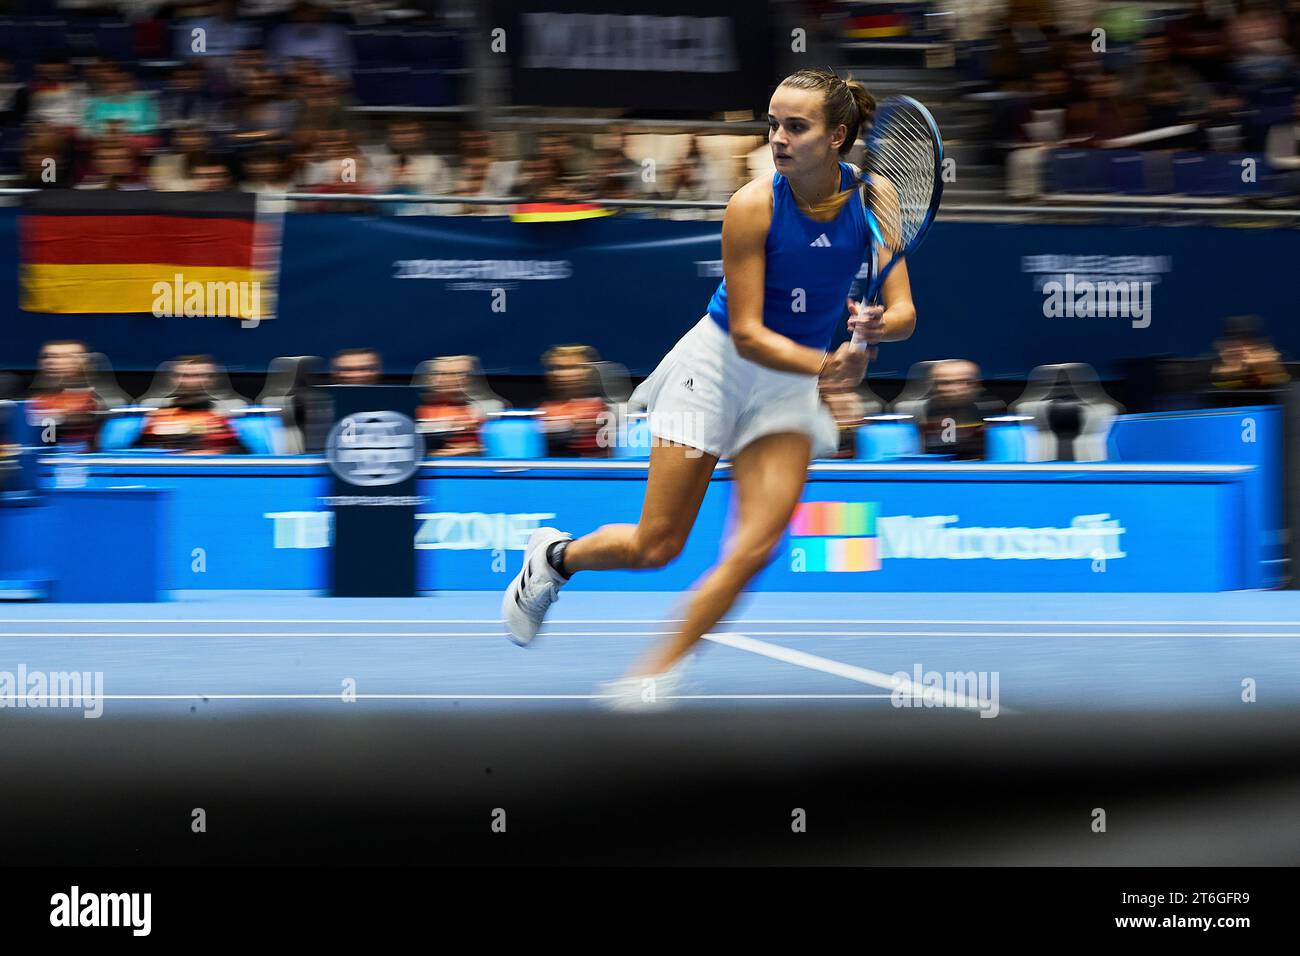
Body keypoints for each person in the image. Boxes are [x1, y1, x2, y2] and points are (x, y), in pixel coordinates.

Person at [501, 68, 917, 703]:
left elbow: (904, 311)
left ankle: (653, 674)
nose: (777, 138)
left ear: (837, 136)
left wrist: (872, 334)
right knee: (656, 546)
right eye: (772, 123)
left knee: (755, 548)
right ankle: (554, 558)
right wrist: (828, 367)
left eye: (795, 126)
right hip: (717, 367)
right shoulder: (752, 206)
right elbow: (748, 332)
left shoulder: (876, 199)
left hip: (786, 391)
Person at [133, 356, 248, 455]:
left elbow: (242, 454)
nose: (191, 381)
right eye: (184, 375)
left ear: (211, 379)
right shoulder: (157, 416)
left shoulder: (225, 414)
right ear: (173, 379)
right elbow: (140, 451)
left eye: (199, 375)